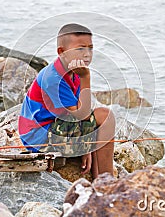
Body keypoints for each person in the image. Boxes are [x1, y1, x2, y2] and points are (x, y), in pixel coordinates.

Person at [18, 23, 115, 179]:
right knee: (105, 117)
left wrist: (86, 146)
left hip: (54, 125)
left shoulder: (73, 71)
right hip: (39, 138)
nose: (87, 54)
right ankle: (107, 181)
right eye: (80, 49)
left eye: (90, 48)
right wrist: (86, 78)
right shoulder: (54, 79)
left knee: (99, 119)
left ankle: (100, 182)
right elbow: (82, 116)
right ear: (61, 52)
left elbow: (79, 112)